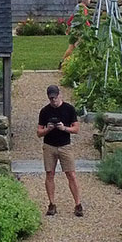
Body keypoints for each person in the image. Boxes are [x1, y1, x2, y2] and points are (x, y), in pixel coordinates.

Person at [36, 83, 84, 217]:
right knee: (49, 174)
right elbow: (39, 132)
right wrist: (48, 129)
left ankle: (78, 204)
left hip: (65, 145)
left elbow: (76, 129)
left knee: (71, 174)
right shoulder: (44, 111)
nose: (53, 100)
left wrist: (64, 128)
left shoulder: (69, 109)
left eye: (55, 98)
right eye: (51, 98)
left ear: (59, 95)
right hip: (49, 146)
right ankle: (51, 204)